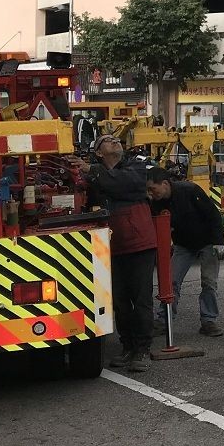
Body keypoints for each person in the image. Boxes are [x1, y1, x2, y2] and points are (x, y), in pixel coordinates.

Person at [71, 136, 157, 372]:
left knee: (141, 300)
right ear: (98, 152)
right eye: (108, 140)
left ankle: (142, 349)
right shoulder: (93, 176)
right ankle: (127, 346)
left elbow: (128, 184)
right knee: (119, 301)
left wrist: (93, 171)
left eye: (117, 139)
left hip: (140, 244)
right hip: (110, 246)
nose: (115, 142)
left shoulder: (135, 166)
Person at [147, 169, 224, 337]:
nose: (151, 193)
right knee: (171, 282)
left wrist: (219, 242)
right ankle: (164, 321)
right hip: (183, 245)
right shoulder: (156, 202)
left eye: (152, 189)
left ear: (165, 184)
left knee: (209, 282)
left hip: (207, 242)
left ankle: (208, 321)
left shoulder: (190, 191)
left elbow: (213, 215)